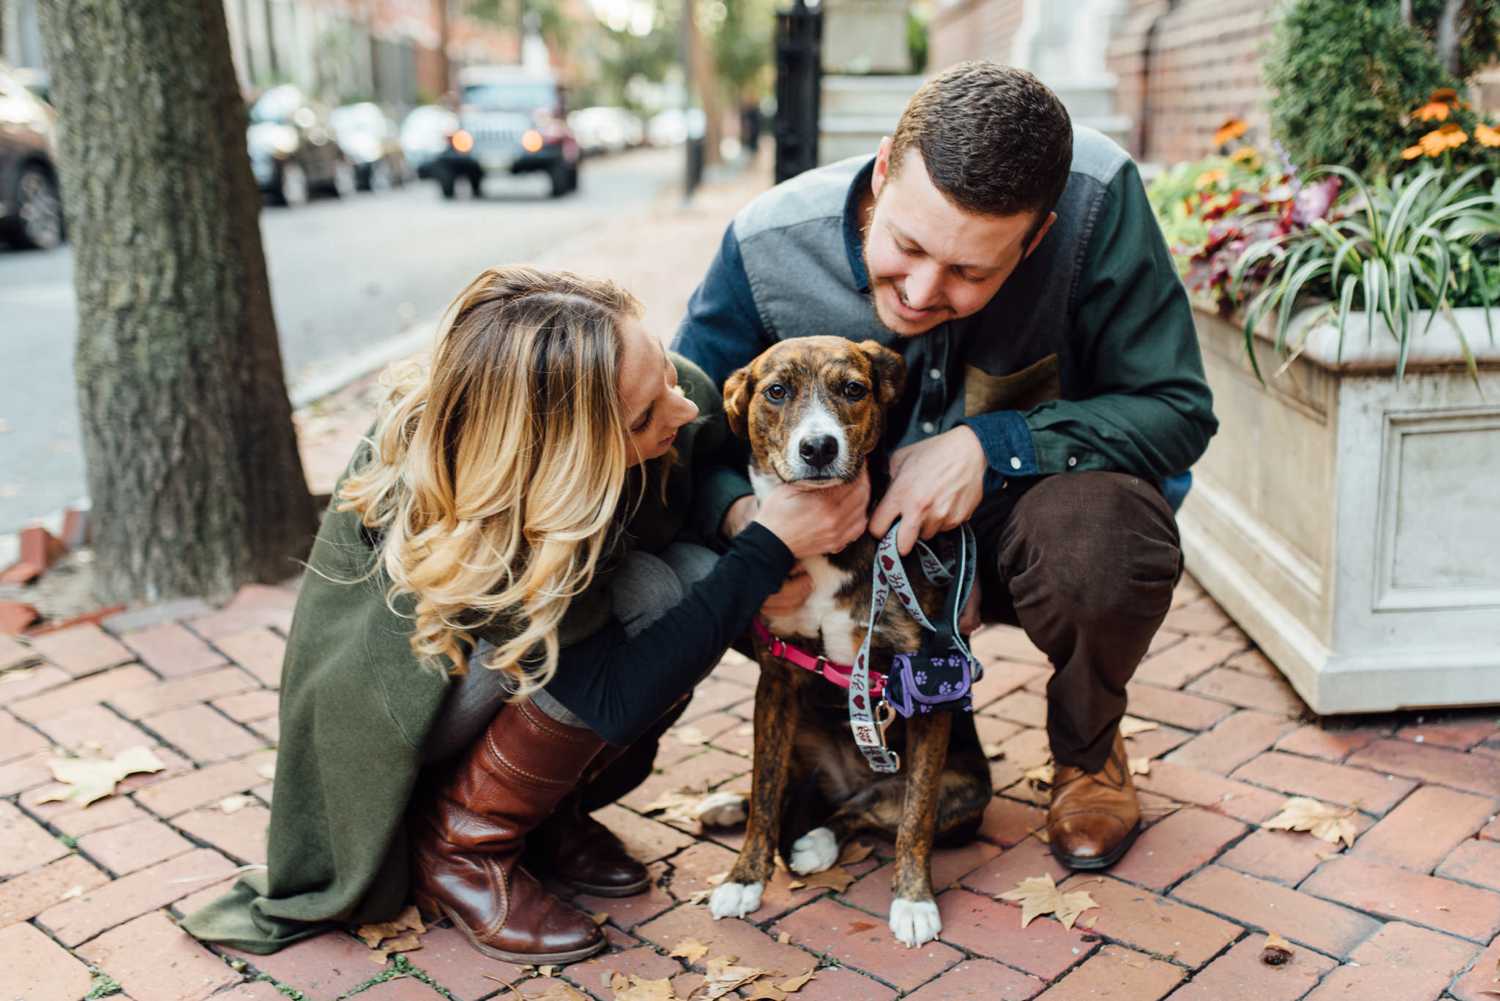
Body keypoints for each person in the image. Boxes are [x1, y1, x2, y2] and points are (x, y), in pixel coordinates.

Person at [182, 266, 868, 964]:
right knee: (665, 600)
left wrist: (736, 510)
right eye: (643, 418)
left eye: (662, 368)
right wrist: (765, 549)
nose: (683, 407)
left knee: (688, 578)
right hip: (407, 695)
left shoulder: (653, 387)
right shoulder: (505, 507)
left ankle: (546, 815)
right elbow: (613, 693)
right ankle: (461, 843)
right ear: (568, 459)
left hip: (535, 644)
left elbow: (710, 454)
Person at [675, 61, 1218, 872]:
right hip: (829, 550)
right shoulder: (765, 244)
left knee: (1105, 537)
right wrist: (747, 526)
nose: (924, 292)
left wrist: (992, 446)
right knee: (689, 557)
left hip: (1009, 527)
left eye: (972, 271)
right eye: (907, 246)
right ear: (887, 167)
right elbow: (682, 439)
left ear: (1036, 236)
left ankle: (1089, 748)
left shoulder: (1100, 203)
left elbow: (1176, 409)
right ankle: (830, 753)